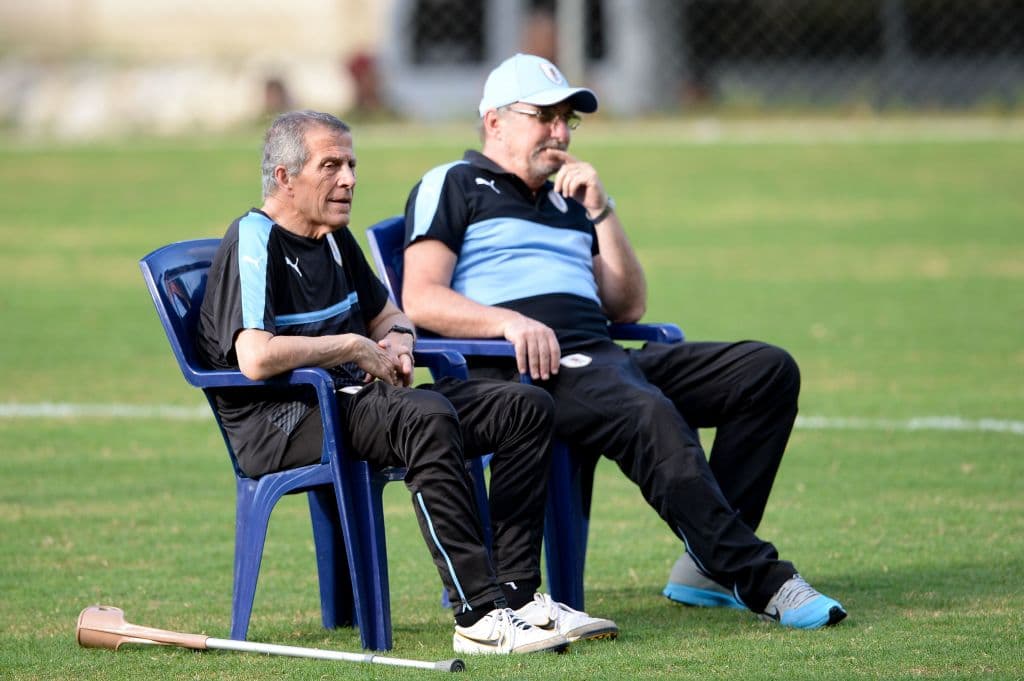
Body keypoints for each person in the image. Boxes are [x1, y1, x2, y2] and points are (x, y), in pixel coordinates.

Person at [401, 54, 847, 630]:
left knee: (765, 371)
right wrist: (507, 322)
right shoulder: (454, 183)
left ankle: (705, 565)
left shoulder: (568, 200)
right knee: (644, 408)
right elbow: (421, 297)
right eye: (544, 116)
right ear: (495, 121)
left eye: (568, 119)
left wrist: (601, 210)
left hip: (602, 355)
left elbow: (628, 305)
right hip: (525, 370)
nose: (560, 132)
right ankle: (757, 576)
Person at [195, 110, 618, 654]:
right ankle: (478, 616)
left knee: (525, 406)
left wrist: (397, 340)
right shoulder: (255, 239)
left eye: (351, 164)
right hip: (284, 420)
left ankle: (517, 597)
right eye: (331, 166)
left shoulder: (331, 237)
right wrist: (349, 346)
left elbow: (388, 313)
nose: (349, 178)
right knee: (426, 415)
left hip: (355, 403)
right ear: (284, 177)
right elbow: (255, 357)